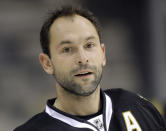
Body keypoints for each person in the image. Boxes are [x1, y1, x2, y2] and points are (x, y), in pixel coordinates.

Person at [14, 6, 166, 131]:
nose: (82, 58)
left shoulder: (138, 107)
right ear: (47, 63)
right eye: (67, 49)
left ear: (103, 54)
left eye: (89, 45)